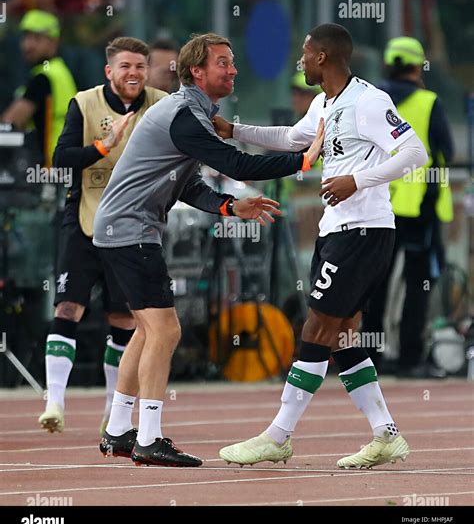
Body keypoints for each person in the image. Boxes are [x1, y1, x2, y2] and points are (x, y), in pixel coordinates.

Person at [92, 33, 323, 467]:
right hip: (130, 230)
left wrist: (230, 206)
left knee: (146, 330)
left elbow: (191, 184)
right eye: (223, 62)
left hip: (122, 228)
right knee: (166, 331)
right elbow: (236, 163)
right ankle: (148, 438)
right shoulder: (183, 113)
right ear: (196, 71)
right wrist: (303, 160)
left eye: (233, 62)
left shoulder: (192, 112)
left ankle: (119, 431)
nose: (233, 70)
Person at [215, 23, 428, 469]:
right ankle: (385, 434)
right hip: (339, 230)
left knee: (316, 328)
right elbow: (292, 138)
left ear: (324, 58)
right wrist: (233, 129)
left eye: (305, 54)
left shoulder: (369, 101)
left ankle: (278, 436)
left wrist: (358, 180)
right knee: (344, 334)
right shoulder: (324, 102)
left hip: (364, 230)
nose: (301, 61)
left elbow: (414, 152)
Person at [38, 37, 168, 435]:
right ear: (109, 71)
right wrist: (103, 145)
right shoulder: (84, 103)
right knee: (68, 308)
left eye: (140, 67)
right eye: (125, 66)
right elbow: (61, 159)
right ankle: (54, 403)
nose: (133, 73)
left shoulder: (160, 104)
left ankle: (112, 410)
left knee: (123, 318)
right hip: (84, 219)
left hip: (134, 227)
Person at [362, 36, 454, 377]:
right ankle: (411, 359)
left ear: (388, 64)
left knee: (375, 282)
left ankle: (368, 358)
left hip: (376, 205)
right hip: (420, 209)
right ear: (417, 67)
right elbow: (446, 149)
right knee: (419, 283)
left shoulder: (372, 99)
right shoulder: (430, 102)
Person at [1, 9, 77, 167]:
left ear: (53, 42)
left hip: (46, 170)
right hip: (63, 166)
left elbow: (10, 122)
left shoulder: (43, 78)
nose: (28, 45)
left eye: (36, 38)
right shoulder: (60, 71)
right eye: (25, 37)